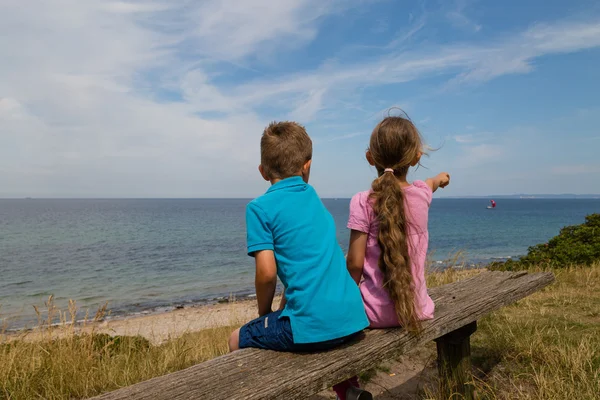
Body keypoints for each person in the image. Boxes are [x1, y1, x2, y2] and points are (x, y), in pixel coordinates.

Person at [333, 115, 450, 399]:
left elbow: (355, 264)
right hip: (418, 308)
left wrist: (346, 299)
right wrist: (441, 178)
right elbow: (430, 183)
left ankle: (348, 389)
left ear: (369, 156)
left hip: (371, 314)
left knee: (329, 319)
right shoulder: (422, 194)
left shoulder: (362, 201)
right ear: (416, 157)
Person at [228, 121, 369, 355]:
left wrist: (264, 314)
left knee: (235, 339)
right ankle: (348, 390)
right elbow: (306, 268)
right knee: (321, 333)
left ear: (262, 171)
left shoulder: (258, 208)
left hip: (312, 328)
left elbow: (266, 274)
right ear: (307, 166)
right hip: (353, 318)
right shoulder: (312, 196)